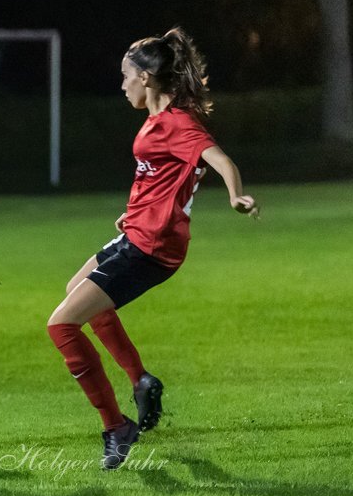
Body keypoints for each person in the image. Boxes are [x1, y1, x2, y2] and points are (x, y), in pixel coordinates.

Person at [46, 27, 259, 470]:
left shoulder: (179, 122)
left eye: (125, 77)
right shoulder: (157, 121)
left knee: (62, 326)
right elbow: (157, 178)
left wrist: (236, 195)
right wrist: (134, 212)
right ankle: (140, 381)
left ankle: (115, 426)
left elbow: (220, 160)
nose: (122, 86)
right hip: (137, 234)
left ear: (145, 78)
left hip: (150, 248)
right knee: (74, 292)